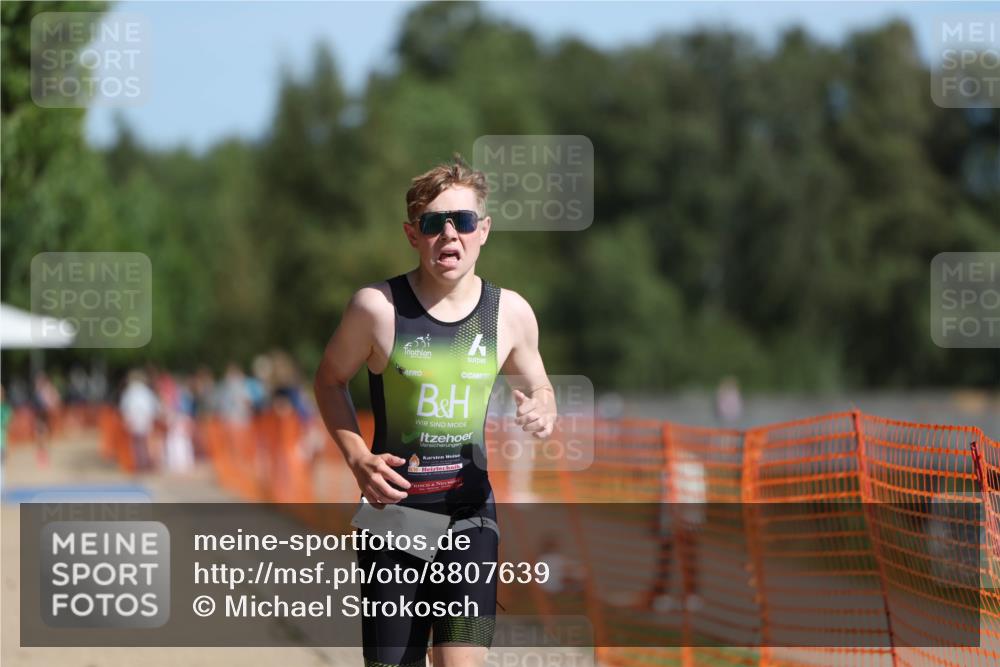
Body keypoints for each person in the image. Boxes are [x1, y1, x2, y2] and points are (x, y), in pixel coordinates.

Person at [314, 155, 556, 667]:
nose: (450, 234)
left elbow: (540, 388)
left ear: (483, 230)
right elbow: (330, 380)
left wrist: (543, 409)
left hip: (469, 515)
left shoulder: (508, 313)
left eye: (463, 221)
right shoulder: (376, 309)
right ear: (412, 234)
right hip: (394, 518)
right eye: (433, 224)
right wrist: (357, 457)